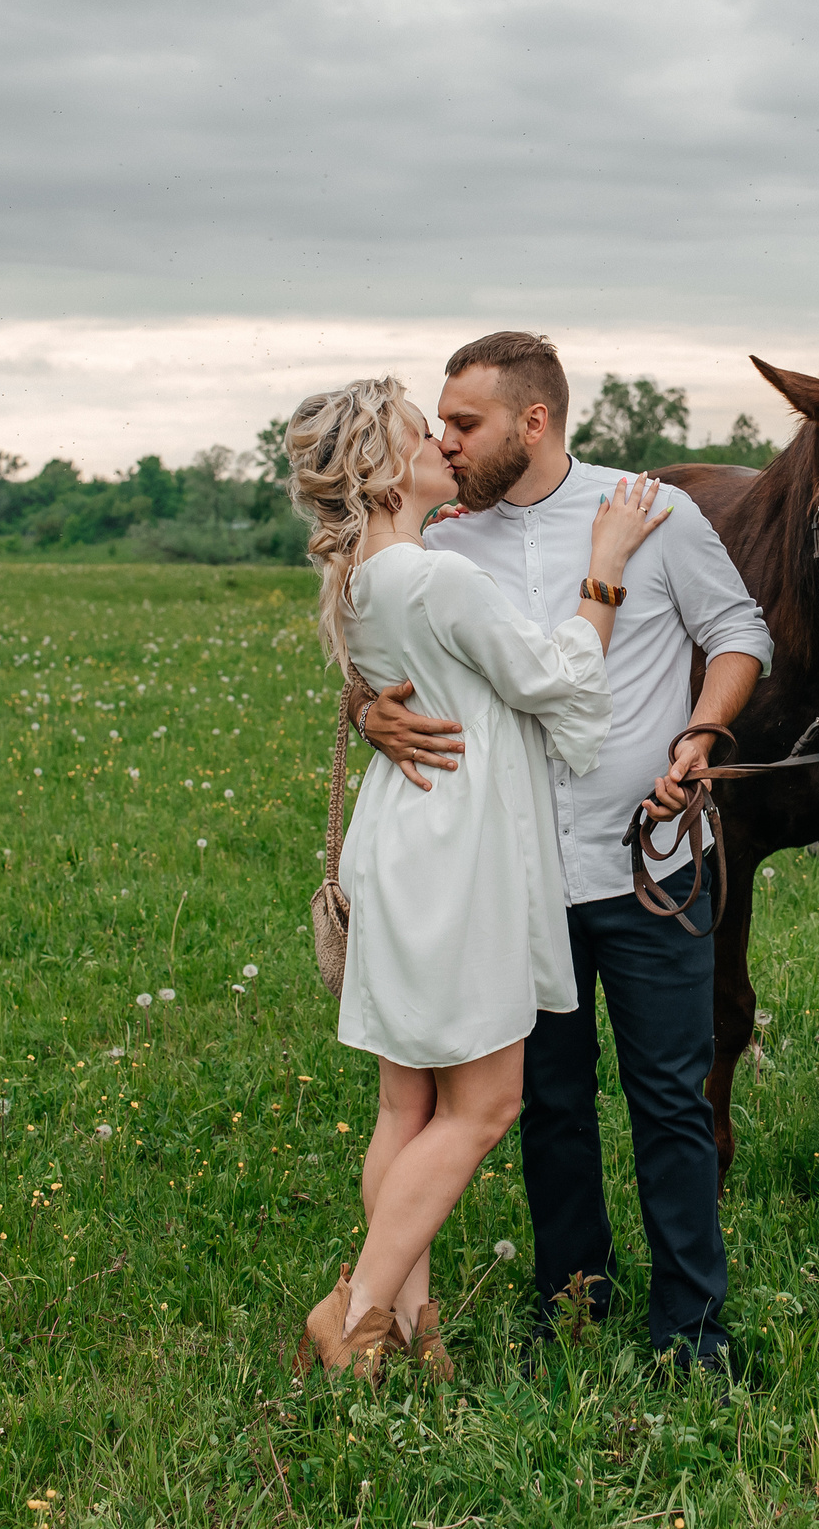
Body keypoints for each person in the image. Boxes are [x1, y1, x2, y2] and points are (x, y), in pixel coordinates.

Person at [355, 331, 771, 1371]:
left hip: (649, 856)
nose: (446, 442)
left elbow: (740, 634)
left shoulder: (649, 513)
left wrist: (701, 734)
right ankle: (571, 1302)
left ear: (532, 422)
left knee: (672, 1098)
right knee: (547, 1101)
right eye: (440, 425)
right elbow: (393, 655)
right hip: (511, 877)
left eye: (464, 423)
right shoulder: (441, 546)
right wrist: (370, 711)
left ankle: (692, 1328)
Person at [286, 373, 675, 1380]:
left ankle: (411, 1329)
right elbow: (553, 677)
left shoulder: (368, 576)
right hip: (460, 850)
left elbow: (398, 680)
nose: (445, 448)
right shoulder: (436, 575)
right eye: (425, 435)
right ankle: (356, 1306)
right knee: (487, 1103)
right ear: (380, 467)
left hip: (403, 835)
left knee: (404, 1106)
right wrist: (602, 569)